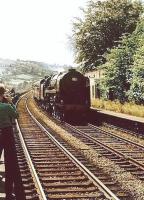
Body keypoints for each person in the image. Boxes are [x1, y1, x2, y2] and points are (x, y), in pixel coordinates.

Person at [0, 85, 19, 200]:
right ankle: (8, 193)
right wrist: (11, 103)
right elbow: (16, 115)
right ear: (1, 95)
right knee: (10, 164)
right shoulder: (7, 106)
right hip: (7, 134)